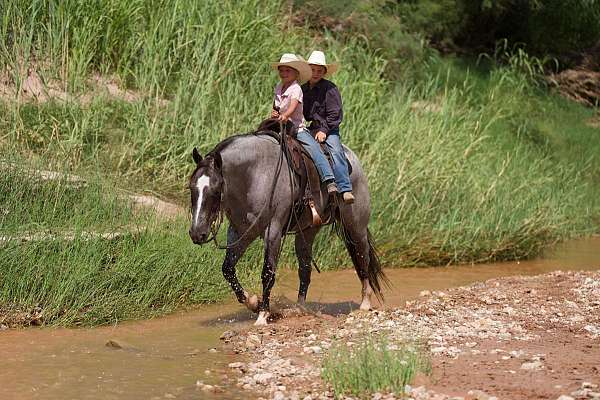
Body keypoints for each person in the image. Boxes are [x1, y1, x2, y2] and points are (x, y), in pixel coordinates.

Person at [299, 50, 354, 204]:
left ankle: (345, 188)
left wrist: (324, 130)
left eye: (319, 70)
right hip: (312, 127)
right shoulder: (303, 89)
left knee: (335, 150)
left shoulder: (330, 89)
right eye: (312, 70)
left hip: (329, 128)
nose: (315, 73)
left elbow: (335, 114)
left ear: (324, 72)